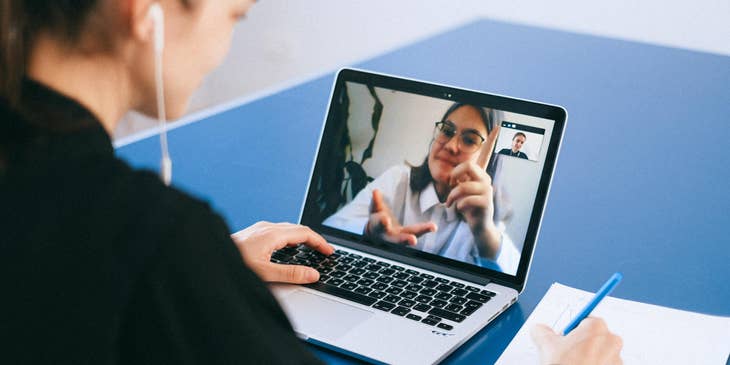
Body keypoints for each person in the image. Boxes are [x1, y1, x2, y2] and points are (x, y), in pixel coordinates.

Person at [0, 1, 622, 364]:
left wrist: (212, 268)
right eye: (234, 16)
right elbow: (345, 228)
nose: (223, 46)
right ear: (144, 13)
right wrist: (195, 267)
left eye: (470, 138)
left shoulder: (491, 211)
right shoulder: (160, 243)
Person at [325, 103, 521, 274]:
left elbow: (514, 280)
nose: (451, 146)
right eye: (447, 130)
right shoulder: (398, 179)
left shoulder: (485, 216)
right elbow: (330, 228)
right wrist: (368, 230)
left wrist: (484, 231)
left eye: (469, 140)